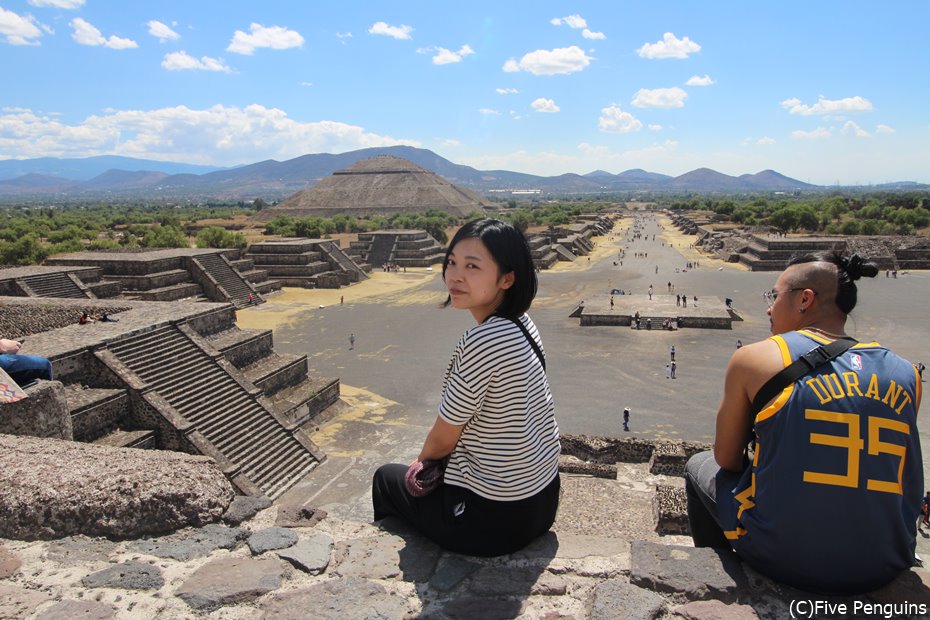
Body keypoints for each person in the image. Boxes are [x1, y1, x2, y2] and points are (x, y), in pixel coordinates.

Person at [684, 250, 922, 594]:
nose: (769, 307)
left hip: (783, 558)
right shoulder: (907, 374)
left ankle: (723, 580)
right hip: (885, 561)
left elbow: (726, 458)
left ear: (804, 300)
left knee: (699, 465)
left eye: (774, 296)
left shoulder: (756, 358)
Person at [371, 218, 561, 557]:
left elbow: (444, 437)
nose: (454, 276)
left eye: (472, 266)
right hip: (542, 503)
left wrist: (421, 468)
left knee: (387, 479)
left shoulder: (482, 339)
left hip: (493, 520)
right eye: (452, 262)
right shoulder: (523, 323)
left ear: (507, 278)